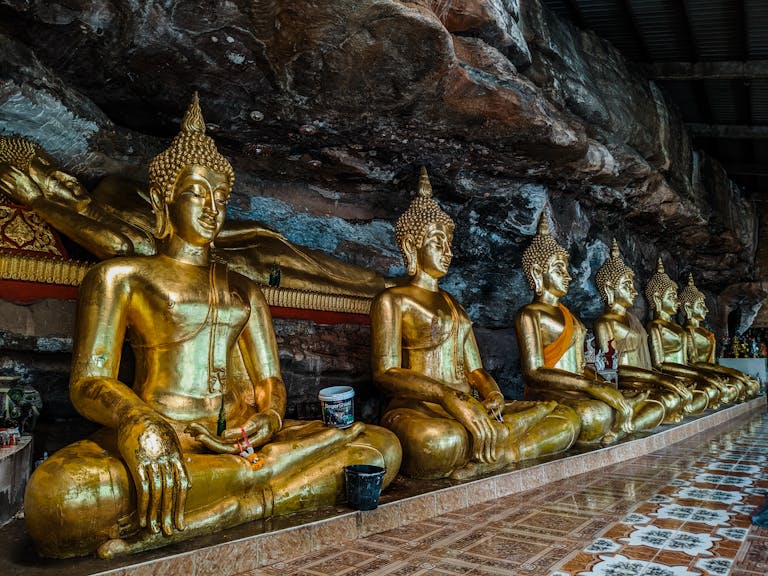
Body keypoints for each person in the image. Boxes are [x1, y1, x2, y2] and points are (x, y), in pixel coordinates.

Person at [23, 95, 401, 559]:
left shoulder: (245, 288)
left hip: (244, 438)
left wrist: (270, 416)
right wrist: (137, 420)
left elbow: (270, 380)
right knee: (59, 497)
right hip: (166, 436)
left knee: (381, 445)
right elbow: (89, 381)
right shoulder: (121, 276)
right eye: (198, 193)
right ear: (163, 199)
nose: (211, 208)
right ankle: (258, 493)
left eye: (220, 198)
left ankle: (215, 509)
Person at [370, 169, 580, 479]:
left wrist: (492, 394)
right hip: (420, 409)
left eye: (449, 242)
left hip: (470, 407)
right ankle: (500, 445)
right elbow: (385, 373)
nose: (448, 251)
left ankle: (504, 452)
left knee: (566, 419)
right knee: (441, 442)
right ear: (412, 246)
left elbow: (476, 370)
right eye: (437, 242)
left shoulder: (456, 305)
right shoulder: (393, 300)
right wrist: (446, 396)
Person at [0, 136, 388, 297]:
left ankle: (390, 284)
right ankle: (381, 293)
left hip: (227, 247)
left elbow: (188, 219)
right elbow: (124, 246)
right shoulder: (89, 232)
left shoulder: (111, 189)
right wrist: (40, 204)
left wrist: (252, 227)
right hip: (233, 269)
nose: (68, 179)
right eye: (52, 180)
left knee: (311, 258)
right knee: (340, 290)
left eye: (59, 168)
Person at [516, 211, 666, 446]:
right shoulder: (530, 314)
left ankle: (622, 421)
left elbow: (580, 365)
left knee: (647, 404)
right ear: (537, 273)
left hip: (577, 388)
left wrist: (602, 384)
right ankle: (619, 422)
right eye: (559, 269)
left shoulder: (572, 318)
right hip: (548, 391)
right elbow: (534, 372)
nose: (567, 276)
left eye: (565, 269)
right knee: (594, 413)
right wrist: (590, 385)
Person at [593, 240, 708, 422]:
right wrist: (660, 379)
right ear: (609, 288)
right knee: (669, 400)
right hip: (625, 385)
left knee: (677, 397)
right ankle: (626, 424)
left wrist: (659, 380)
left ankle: (634, 419)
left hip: (647, 381)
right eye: (626, 285)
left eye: (632, 285)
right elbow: (610, 369)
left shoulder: (634, 321)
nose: (634, 291)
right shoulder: (604, 323)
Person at [645, 259, 738, 409]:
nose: (677, 301)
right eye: (672, 296)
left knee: (726, 387)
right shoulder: (655, 326)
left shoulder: (680, 329)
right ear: (657, 298)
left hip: (688, 378)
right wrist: (698, 375)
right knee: (705, 392)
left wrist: (714, 375)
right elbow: (659, 364)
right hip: (672, 381)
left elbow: (692, 362)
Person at [679, 273, 757, 400]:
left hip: (707, 374)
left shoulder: (706, 333)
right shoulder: (687, 332)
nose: (706, 309)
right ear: (688, 308)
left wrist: (730, 373)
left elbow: (712, 363)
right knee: (714, 390)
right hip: (694, 376)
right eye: (701, 305)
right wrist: (729, 373)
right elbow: (693, 364)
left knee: (741, 384)